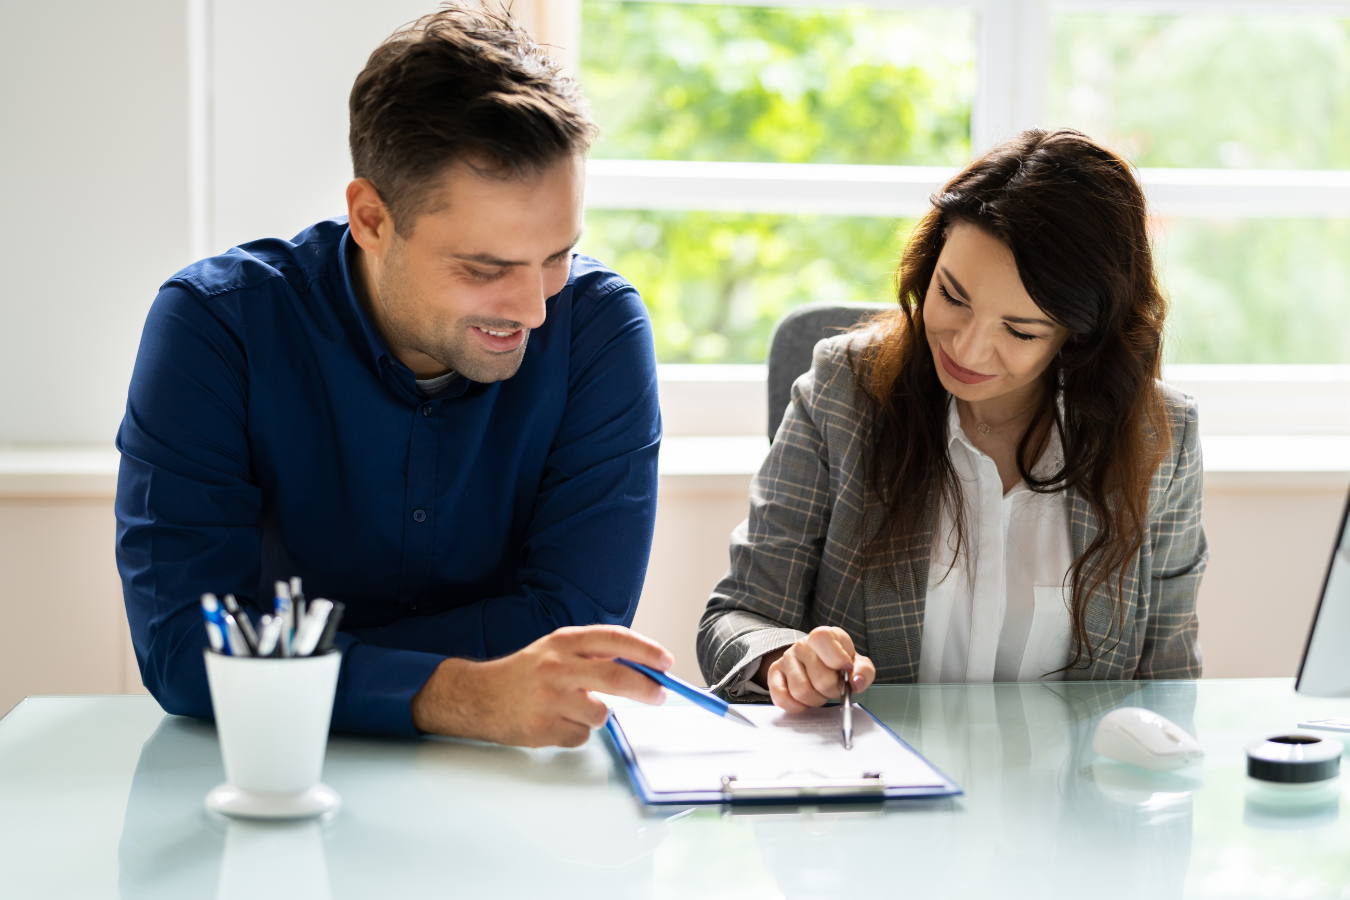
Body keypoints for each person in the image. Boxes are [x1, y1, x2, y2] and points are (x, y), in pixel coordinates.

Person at [116, 4, 672, 747]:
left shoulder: (599, 329)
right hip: (270, 773)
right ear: (371, 219)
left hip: (508, 788)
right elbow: (182, 647)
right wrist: (459, 694)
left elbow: (568, 630)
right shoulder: (216, 327)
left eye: (556, 255)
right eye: (485, 269)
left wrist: (304, 654)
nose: (536, 309)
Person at [698, 129, 1207, 713]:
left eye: (1018, 331)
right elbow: (736, 616)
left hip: (1069, 800)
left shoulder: (1159, 438)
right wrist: (783, 660)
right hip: (883, 794)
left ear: (1080, 337)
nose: (967, 348)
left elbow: (1169, 683)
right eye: (952, 295)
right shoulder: (844, 391)